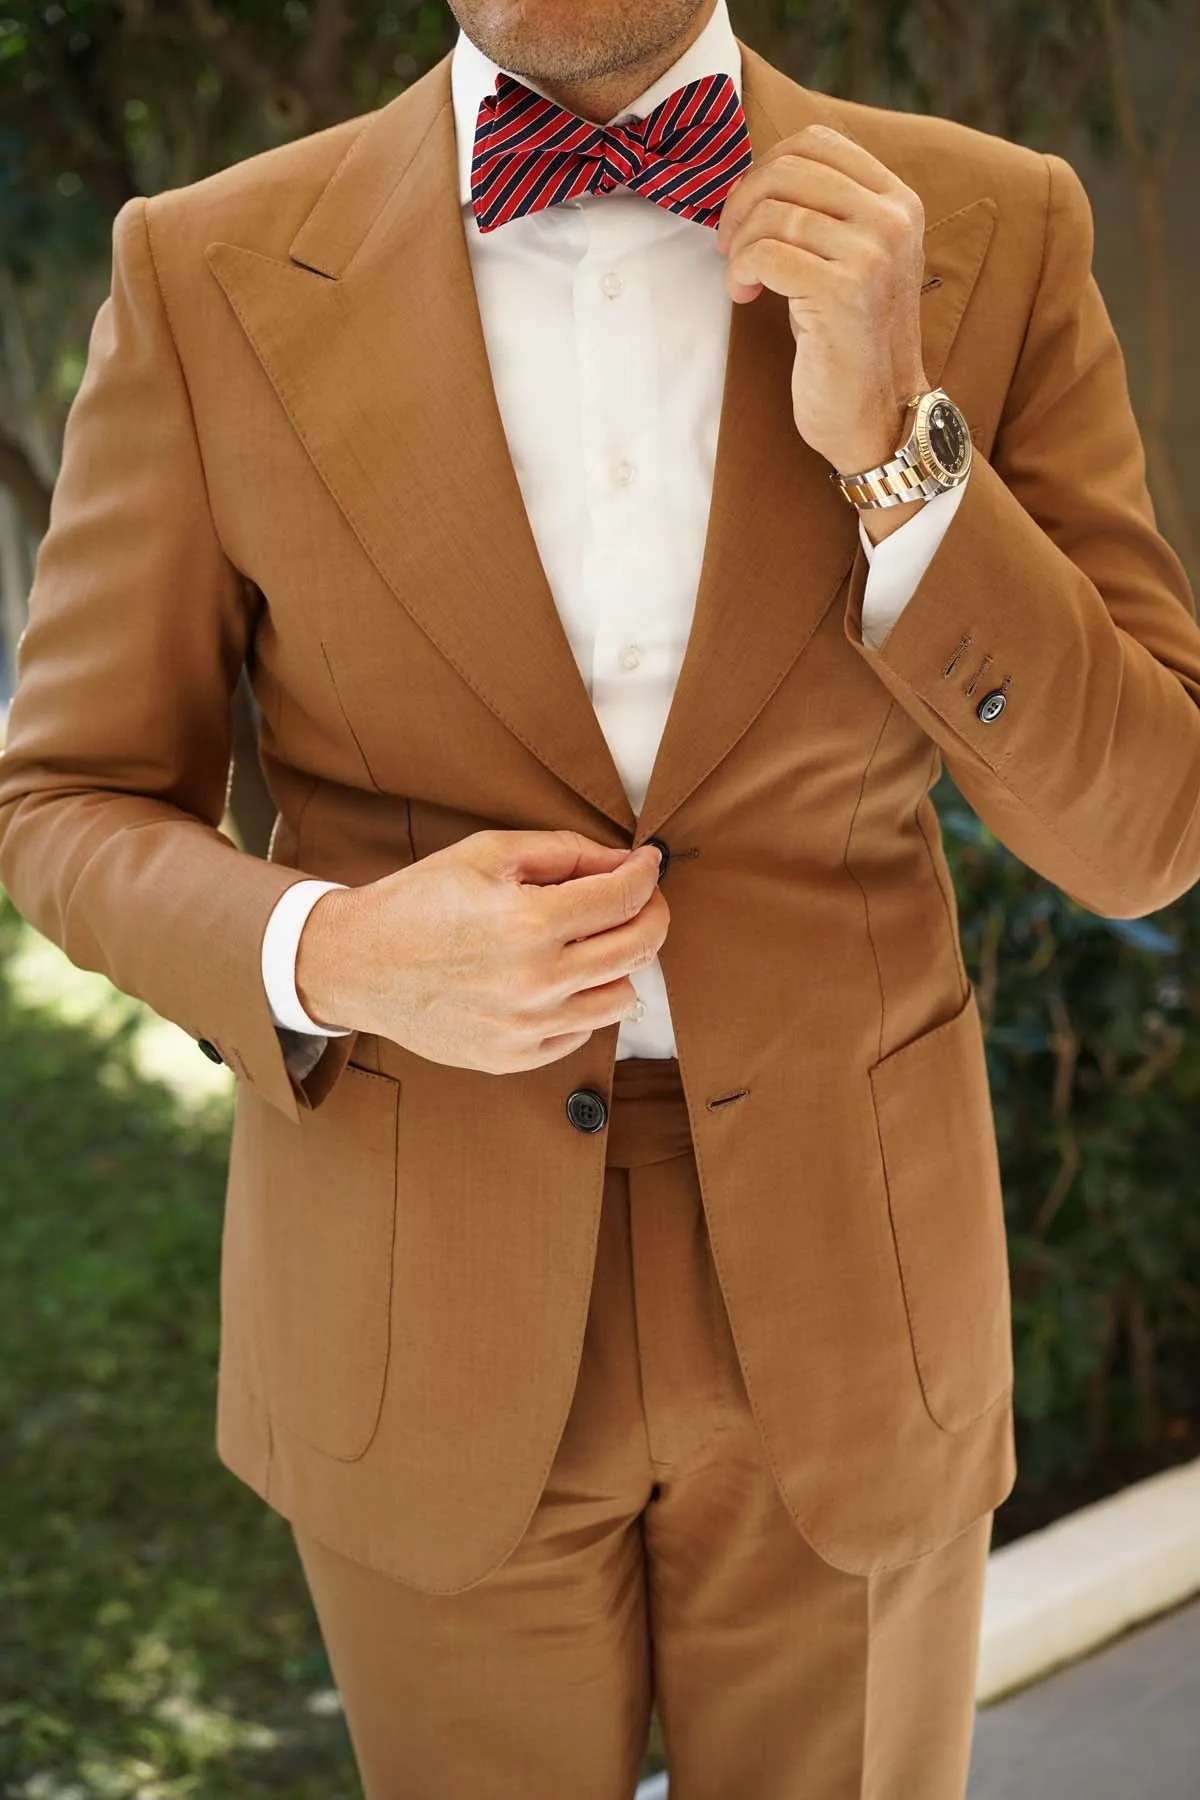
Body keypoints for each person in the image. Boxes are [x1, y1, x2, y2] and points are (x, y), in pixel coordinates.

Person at [2, 0, 1199, 1793]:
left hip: (853, 1293)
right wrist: (335, 950)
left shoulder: (992, 226)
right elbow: (67, 800)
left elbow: (1147, 827)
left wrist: (895, 440)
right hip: (418, 1293)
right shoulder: (207, 270)